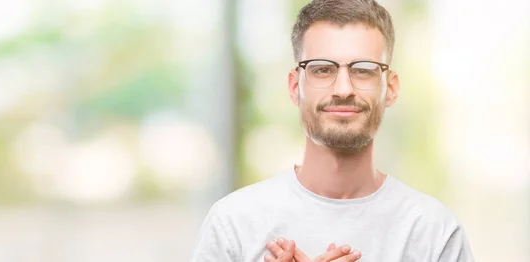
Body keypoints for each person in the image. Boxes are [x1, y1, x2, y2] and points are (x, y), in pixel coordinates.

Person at [190, 0, 474, 261]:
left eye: (363, 69)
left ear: (391, 88)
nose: (343, 90)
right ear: (294, 87)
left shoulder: (435, 233)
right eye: (322, 69)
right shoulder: (233, 224)